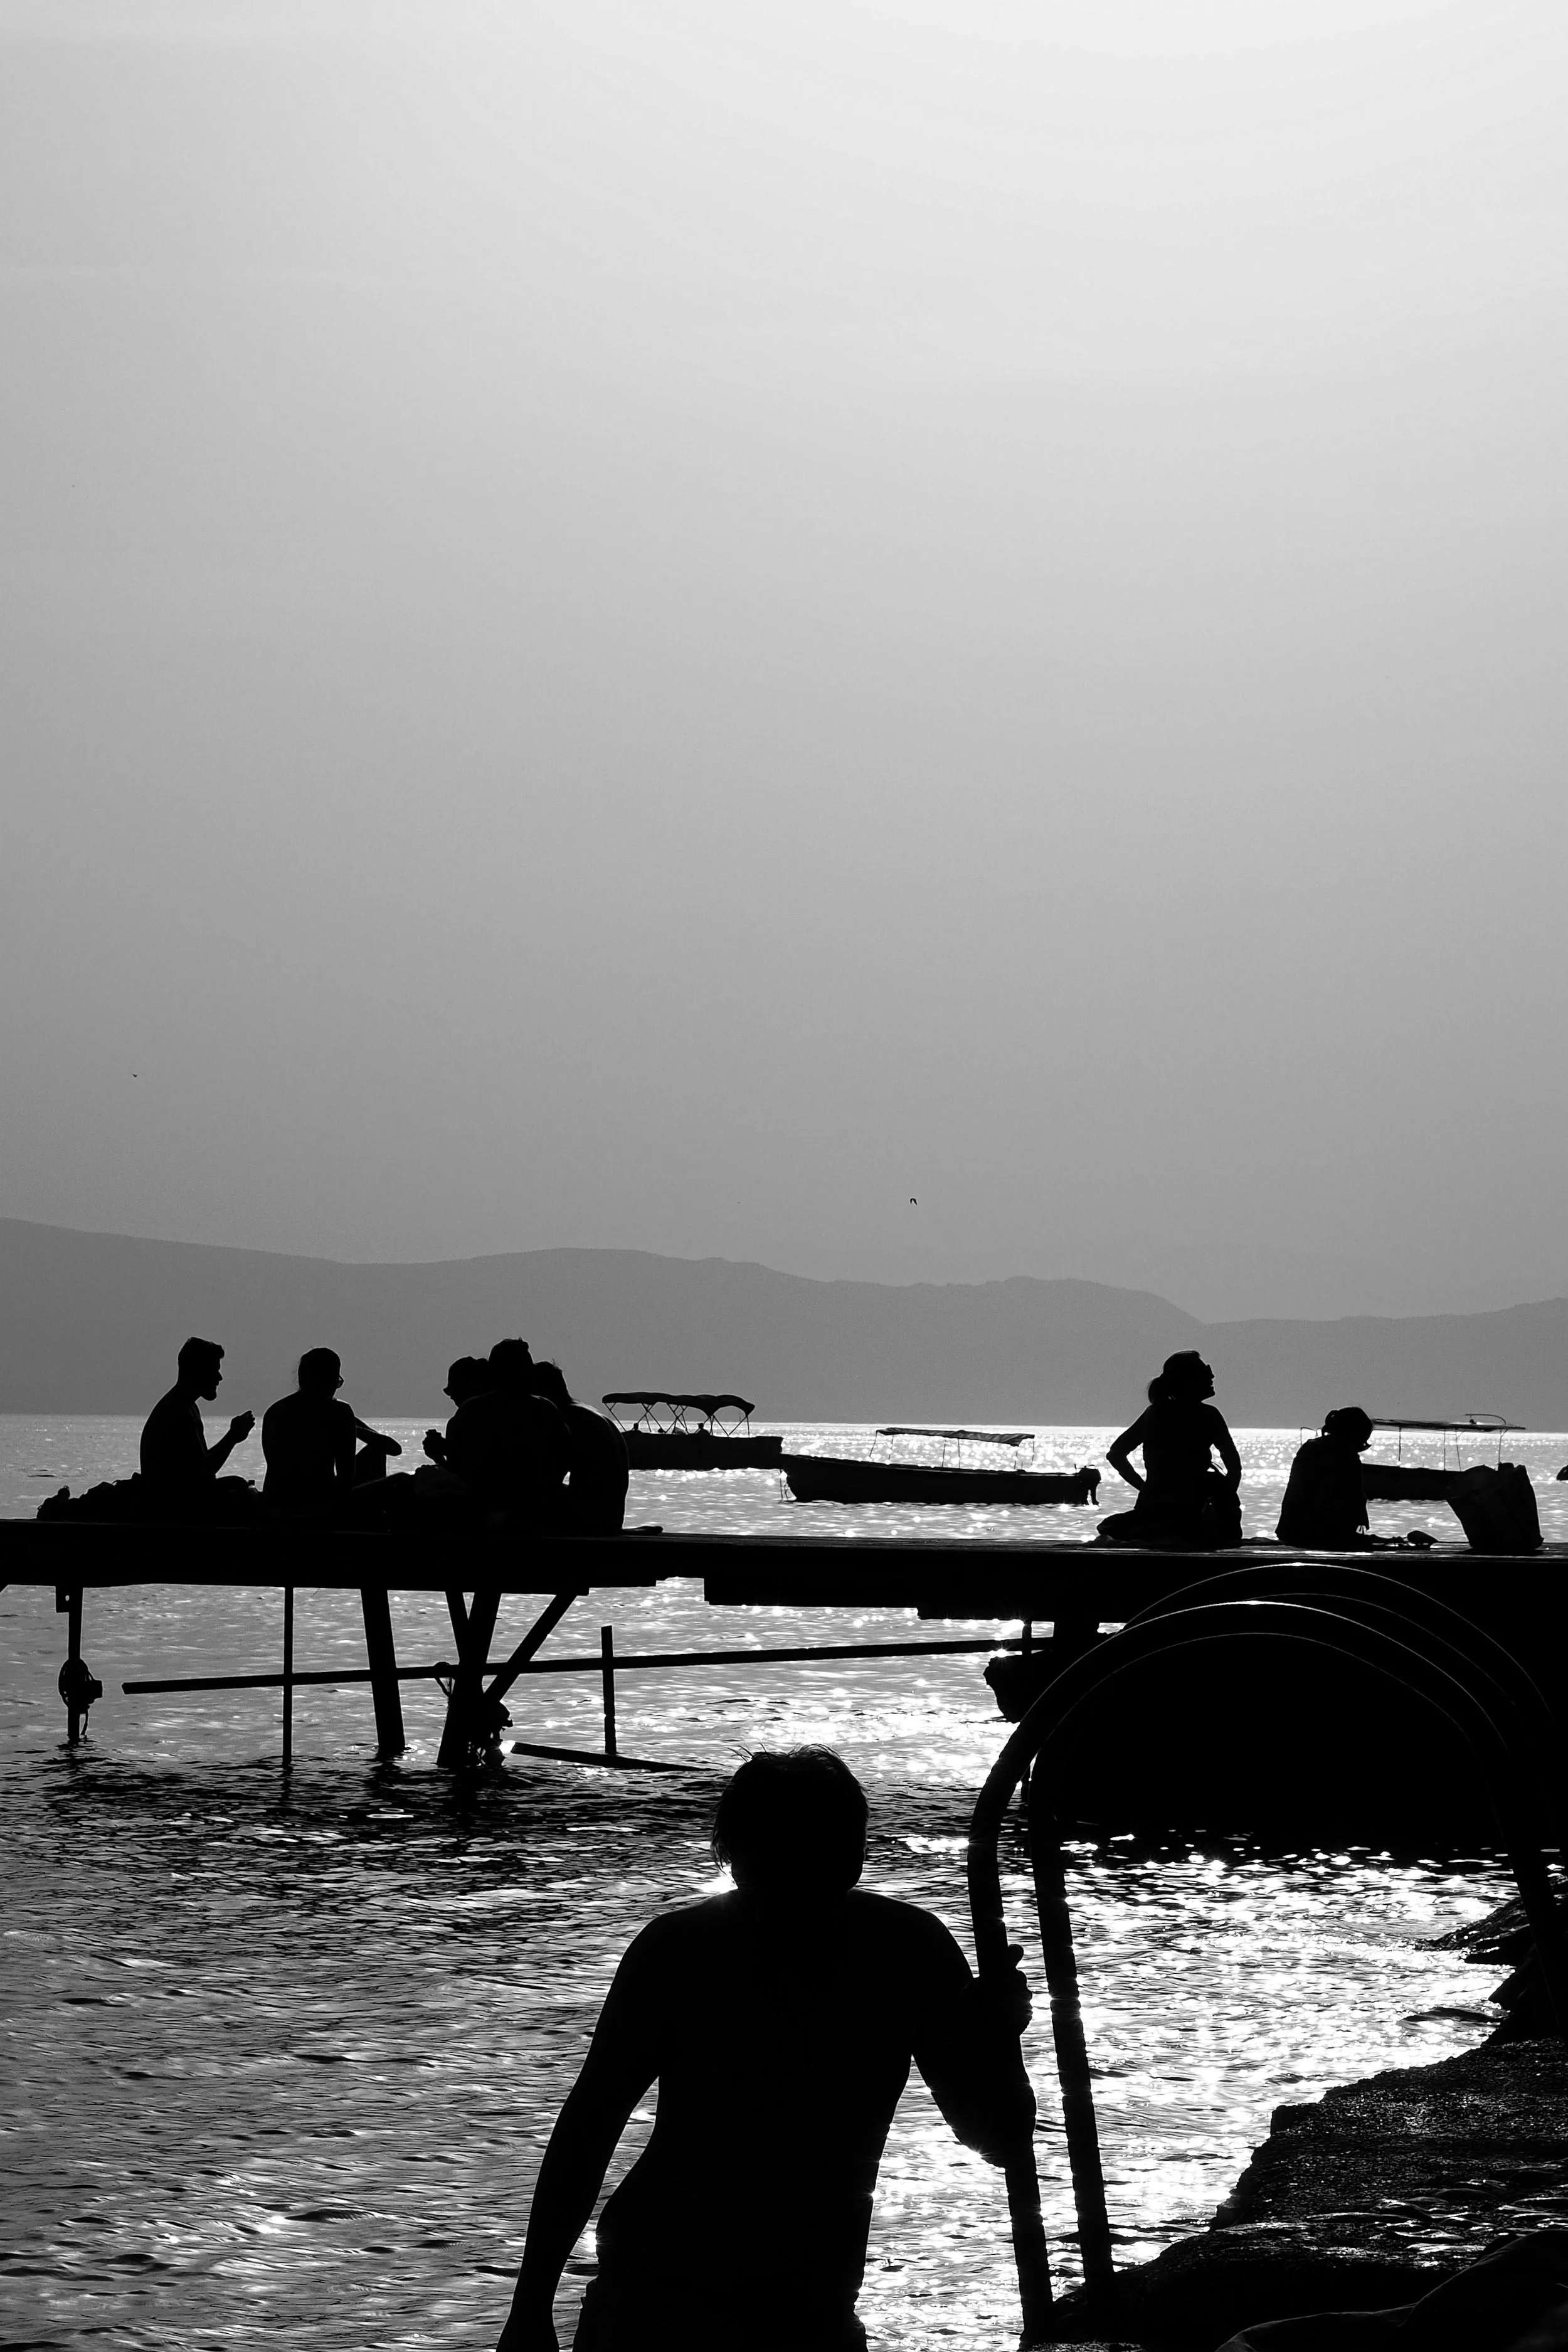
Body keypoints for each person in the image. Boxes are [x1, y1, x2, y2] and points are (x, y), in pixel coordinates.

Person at [494, 1749, 1034, 2352]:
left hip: (801, 2311)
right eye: (783, 1855)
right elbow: (588, 2128)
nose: (798, 1881)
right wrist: (529, 2309)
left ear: (852, 1855)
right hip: (664, 2299)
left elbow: (1002, 2138)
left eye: (820, 1851)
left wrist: (998, 2036)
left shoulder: (909, 1953)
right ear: (738, 1856)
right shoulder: (684, 1951)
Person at [1099, 1350, 1243, 1546]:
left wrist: (1145, 1488)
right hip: (1192, 1511)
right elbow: (1234, 1467)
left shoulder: (1154, 1414)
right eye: (1205, 1372)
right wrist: (1225, 1499)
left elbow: (1116, 1454)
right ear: (1188, 1380)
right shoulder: (1208, 1416)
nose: (1212, 1376)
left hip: (1153, 1507)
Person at [445, 1338, 569, 1520]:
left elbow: (457, 1469)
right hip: (535, 1513)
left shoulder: (469, 1412)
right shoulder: (546, 1411)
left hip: (482, 1512)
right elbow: (563, 1460)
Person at [261, 1347, 387, 1515]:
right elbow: (346, 1478)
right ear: (330, 1380)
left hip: (275, 1502)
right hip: (319, 1504)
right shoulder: (339, 1411)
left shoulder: (274, 1411)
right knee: (400, 1479)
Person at [139, 1337, 255, 1507]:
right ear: (197, 1371)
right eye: (214, 1371)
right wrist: (232, 1437)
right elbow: (202, 1472)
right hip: (169, 1506)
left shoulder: (187, 1407)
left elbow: (200, 1463)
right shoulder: (178, 1412)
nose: (219, 1378)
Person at [529, 1359, 630, 1533]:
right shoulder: (588, 1412)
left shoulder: (565, 1417)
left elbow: (550, 1477)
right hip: (611, 1517)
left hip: (588, 1519)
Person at [1276, 1407, 1385, 1549]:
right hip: (1322, 1534)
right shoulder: (1347, 1458)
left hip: (1291, 1530)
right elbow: (1356, 1501)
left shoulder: (1309, 1449)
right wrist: (1361, 1534)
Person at [422, 1356, 492, 1470]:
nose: (452, 1397)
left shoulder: (461, 1421)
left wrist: (440, 1455)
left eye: (455, 1390)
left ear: (472, 1386)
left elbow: (460, 1478)